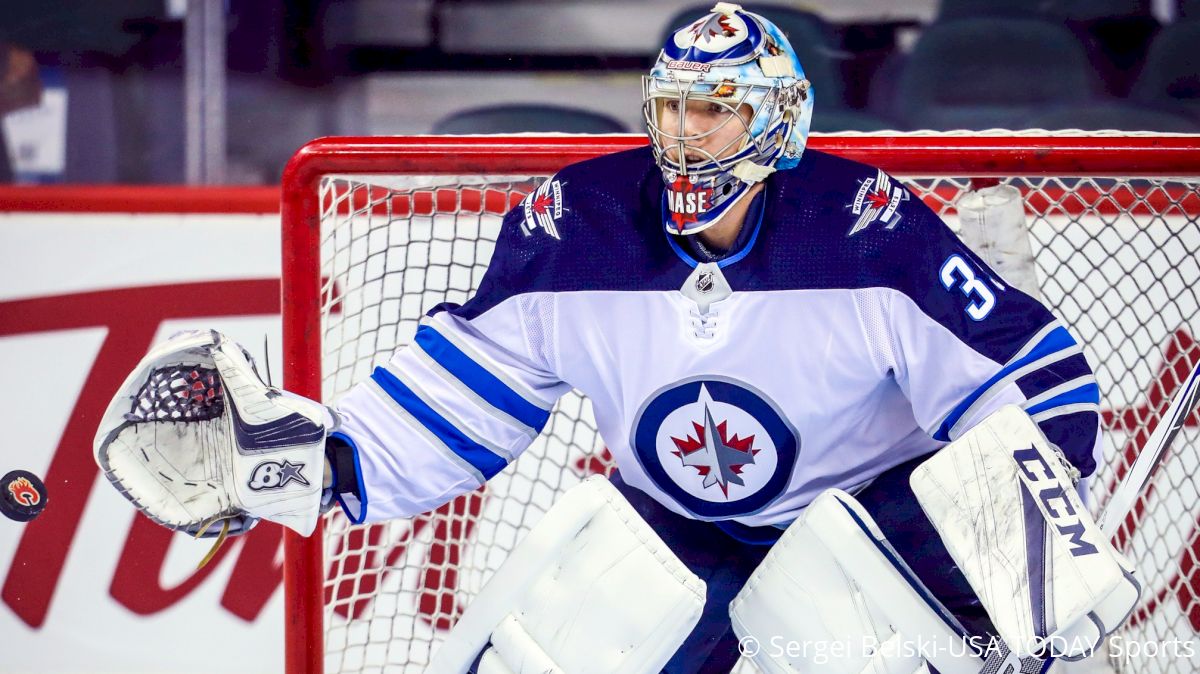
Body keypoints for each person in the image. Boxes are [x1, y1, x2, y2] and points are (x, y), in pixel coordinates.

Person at [95, 3, 1102, 671]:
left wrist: (1005, 568)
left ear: (779, 121)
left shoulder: (868, 231)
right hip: (674, 526)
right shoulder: (578, 226)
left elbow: (1040, 384)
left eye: (717, 111)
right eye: (674, 110)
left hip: (855, 530)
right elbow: (465, 395)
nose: (688, 136)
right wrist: (318, 465)